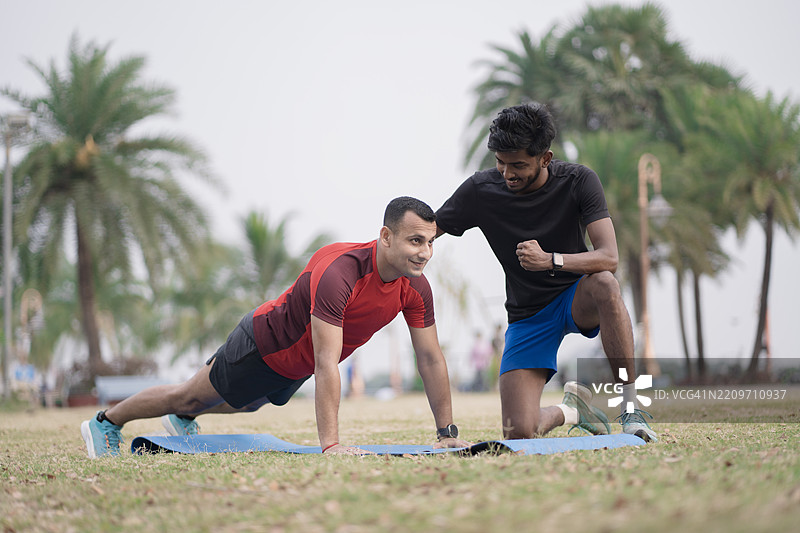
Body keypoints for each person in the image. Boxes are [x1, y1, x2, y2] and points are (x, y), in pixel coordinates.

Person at [81, 197, 471, 458]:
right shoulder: (342, 272)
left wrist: (446, 433)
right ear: (386, 237)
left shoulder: (415, 288)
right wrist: (331, 445)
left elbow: (430, 359)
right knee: (187, 396)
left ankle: (182, 421)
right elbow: (326, 360)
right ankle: (105, 423)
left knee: (247, 404)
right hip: (263, 343)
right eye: (415, 240)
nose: (425, 252)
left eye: (430, 242)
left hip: (293, 365)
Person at [435, 104, 657, 442]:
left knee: (605, 283)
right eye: (500, 162)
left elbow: (609, 257)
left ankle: (631, 408)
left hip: (576, 297)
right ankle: (572, 410)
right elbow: (430, 227)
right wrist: (382, 249)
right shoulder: (481, 190)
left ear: (545, 158)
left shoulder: (579, 181)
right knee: (519, 432)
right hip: (528, 315)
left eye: (519, 165)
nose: (507, 173)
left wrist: (551, 260)